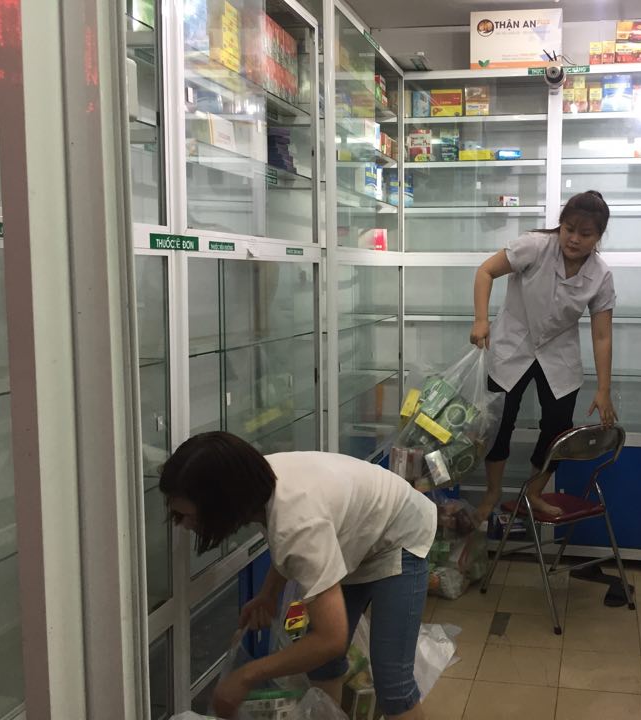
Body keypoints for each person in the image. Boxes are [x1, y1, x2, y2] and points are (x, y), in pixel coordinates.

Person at [160, 432, 437, 720]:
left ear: (222, 502)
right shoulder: (253, 484)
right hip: (358, 536)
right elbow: (288, 546)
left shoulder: (297, 518)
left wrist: (246, 676)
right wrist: (268, 595)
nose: (185, 525)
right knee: (322, 666)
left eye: (189, 516)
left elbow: (330, 638)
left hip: (399, 535)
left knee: (393, 684)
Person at [470, 190, 617, 520]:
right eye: (569, 229)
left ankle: (534, 493)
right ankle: (493, 491)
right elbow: (485, 271)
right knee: (499, 423)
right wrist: (481, 320)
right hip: (513, 344)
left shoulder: (600, 275)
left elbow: (602, 335)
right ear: (560, 225)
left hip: (558, 354)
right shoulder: (535, 246)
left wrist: (604, 390)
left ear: (599, 236)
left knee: (558, 428)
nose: (574, 239)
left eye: (585, 234)